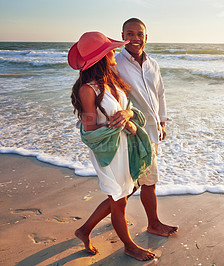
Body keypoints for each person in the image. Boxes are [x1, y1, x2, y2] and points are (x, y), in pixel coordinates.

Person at [68, 31, 155, 261]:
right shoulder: (88, 90)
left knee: (126, 192)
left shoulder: (113, 82)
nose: (115, 52)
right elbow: (89, 132)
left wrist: (127, 114)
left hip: (124, 148)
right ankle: (129, 246)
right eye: (111, 50)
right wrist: (118, 125)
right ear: (101, 57)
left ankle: (84, 230)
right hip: (107, 153)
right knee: (119, 201)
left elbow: (129, 110)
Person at [115, 18, 178, 237]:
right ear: (122, 36)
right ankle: (153, 224)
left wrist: (162, 121)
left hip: (152, 131)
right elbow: (110, 97)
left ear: (146, 37)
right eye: (130, 34)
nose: (135, 38)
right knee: (146, 182)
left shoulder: (153, 63)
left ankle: (102, 220)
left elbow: (159, 93)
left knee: (134, 183)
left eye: (140, 34)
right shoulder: (116, 64)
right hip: (133, 133)